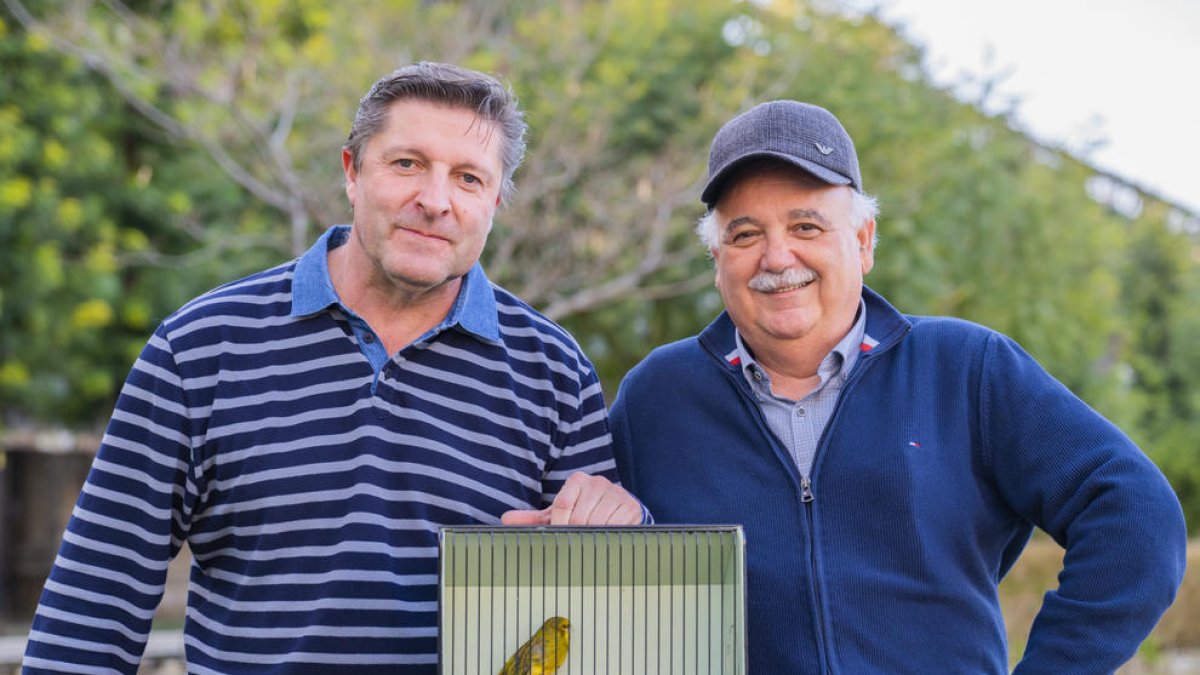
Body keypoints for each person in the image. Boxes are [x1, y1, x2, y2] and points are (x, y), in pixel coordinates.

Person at [23, 61, 645, 674]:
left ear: (497, 202)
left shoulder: (554, 372)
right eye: (407, 164)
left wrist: (627, 524)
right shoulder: (201, 347)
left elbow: (605, 616)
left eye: (468, 179)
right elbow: (93, 604)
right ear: (352, 171)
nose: (435, 201)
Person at [609, 99, 1187, 673]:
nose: (777, 255)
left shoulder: (966, 368)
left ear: (863, 241)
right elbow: (594, 585)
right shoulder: (656, 399)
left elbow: (1137, 518)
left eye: (805, 225)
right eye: (744, 234)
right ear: (717, 259)